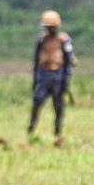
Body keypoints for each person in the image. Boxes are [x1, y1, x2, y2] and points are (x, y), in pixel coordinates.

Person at [29, 10, 74, 138]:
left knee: (58, 106)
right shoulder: (41, 40)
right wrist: (35, 79)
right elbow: (36, 61)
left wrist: (66, 80)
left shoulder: (64, 40)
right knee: (37, 102)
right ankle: (31, 129)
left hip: (58, 76)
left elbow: (69, 61)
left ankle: (57, 132)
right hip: (43, 75)